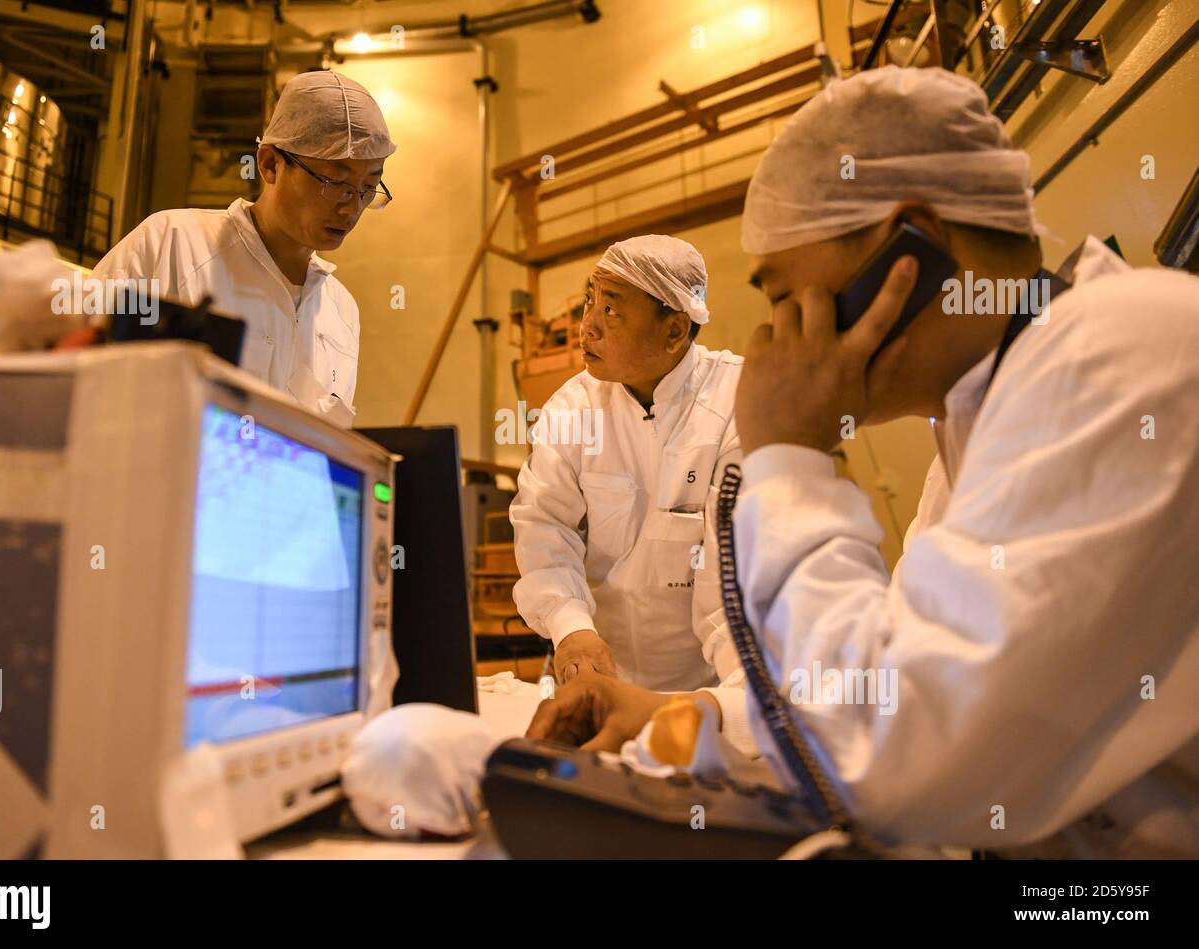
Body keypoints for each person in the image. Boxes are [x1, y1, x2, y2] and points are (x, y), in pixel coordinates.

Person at [527, 66, 1199, 858]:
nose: (776, 335)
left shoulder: (1125, 354)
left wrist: (789, 460)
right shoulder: (981, 422)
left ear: (906, 247)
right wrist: (686, 719)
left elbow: (895, 761)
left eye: (782, 292)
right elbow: (886, 673)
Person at [509, 235, 747, 703]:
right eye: (589, 302)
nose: (588, 327)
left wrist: (734, 707)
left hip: (712, 687)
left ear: (675, 330)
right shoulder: (572, 408)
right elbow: (545, 526)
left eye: (612, 311)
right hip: (602, 680)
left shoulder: (737, 401)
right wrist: (569, 626)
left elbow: (732, 584)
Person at [91, 70, 395, 427]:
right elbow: (73, 367)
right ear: (269, 163)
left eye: (368, 187)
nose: (351, 207)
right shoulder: (171, 243)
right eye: (335, 183)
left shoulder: (341, 311)